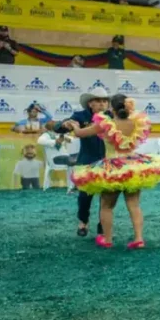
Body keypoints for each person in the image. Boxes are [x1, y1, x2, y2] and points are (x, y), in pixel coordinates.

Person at [70, 94, 160, 248]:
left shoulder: (106, 124)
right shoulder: (137, 122)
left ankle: (108, 240)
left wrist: (75, 126)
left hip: (113, 169)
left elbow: (80, 133)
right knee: (134, 205)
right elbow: (148, 129)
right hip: (133, 167)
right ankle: (139, 239)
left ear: (111, 108)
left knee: (107, 206)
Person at [50, 87, 111, 236]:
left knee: (107, 196)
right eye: (98, 101)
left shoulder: (111, 116)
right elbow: (60, 127)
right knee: (84, 196)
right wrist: (63, 125)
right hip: (86, 161)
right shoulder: (80, 115)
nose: (102, 104)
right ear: (90, 103)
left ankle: (103, 224)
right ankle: (83, 222)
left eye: (105, 101)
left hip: (108, 161)